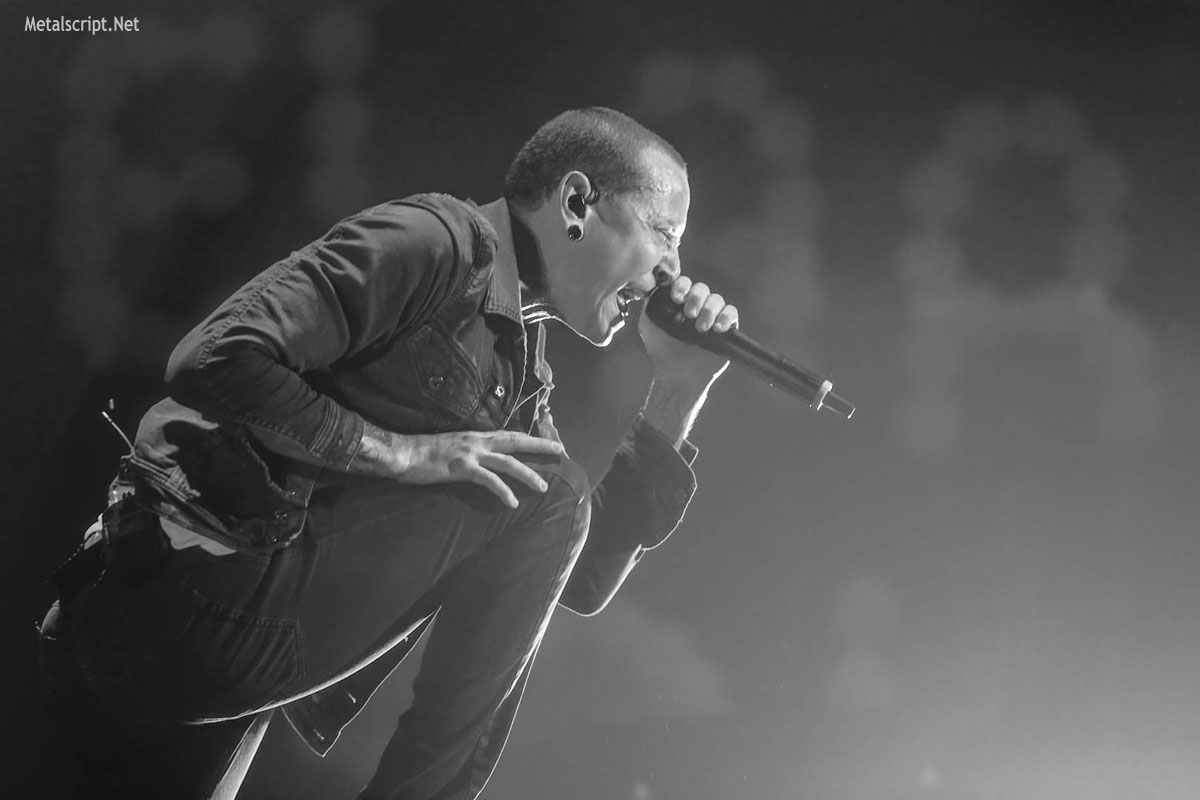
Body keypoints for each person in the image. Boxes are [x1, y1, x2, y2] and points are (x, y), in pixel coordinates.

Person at [38, 107, 739, 800]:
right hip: (177, 600)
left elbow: (574, 576)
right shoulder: (435, 240)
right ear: (577, 202)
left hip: (215, 671)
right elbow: (216, 357)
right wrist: (403, 455)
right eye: (664, 234)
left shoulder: (521, 367)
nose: (672, 273)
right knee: (550, 490)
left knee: (549, 497)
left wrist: (679, 390)